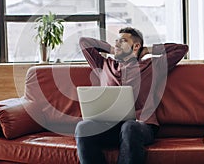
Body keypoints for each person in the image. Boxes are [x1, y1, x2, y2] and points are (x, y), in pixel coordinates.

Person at [75, 27, 188, 164]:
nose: (117, 43)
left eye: (122, 41)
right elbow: (84, 42)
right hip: (109, 127)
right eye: (116, 41)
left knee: (129, 126)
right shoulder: (104, 65)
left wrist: (147, 50)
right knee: (83, 127)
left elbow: (181, 49)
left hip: (140, 127)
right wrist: (113, 49)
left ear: (135, 46)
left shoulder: (152, 66)